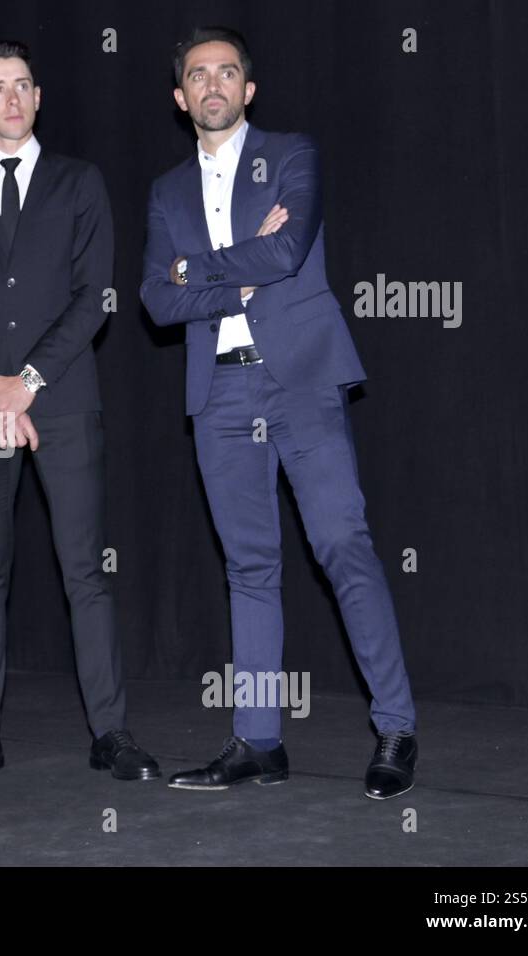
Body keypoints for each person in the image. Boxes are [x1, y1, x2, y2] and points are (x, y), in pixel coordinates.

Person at [140, 26, 418, 799]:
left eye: (228, 72)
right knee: (250, 568)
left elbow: (286, 253)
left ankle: (395, 726)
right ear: (180, 97)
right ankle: (259, 741)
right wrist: (227, 281)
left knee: (342, 546)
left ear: (248, 89)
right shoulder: (166, 192)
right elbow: (158, 300)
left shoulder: (293, 154)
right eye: (199, 75)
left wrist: (196, 269)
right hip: (221, 393)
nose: (214, 84)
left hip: (300, 381)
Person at [0, 41, 160, 784]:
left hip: (60, 399)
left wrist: (26, 382)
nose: (12, 98)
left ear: (38, 95)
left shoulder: (79, 182)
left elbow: (95, 297)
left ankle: (112, 732)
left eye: (23, 84)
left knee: (84, 570)